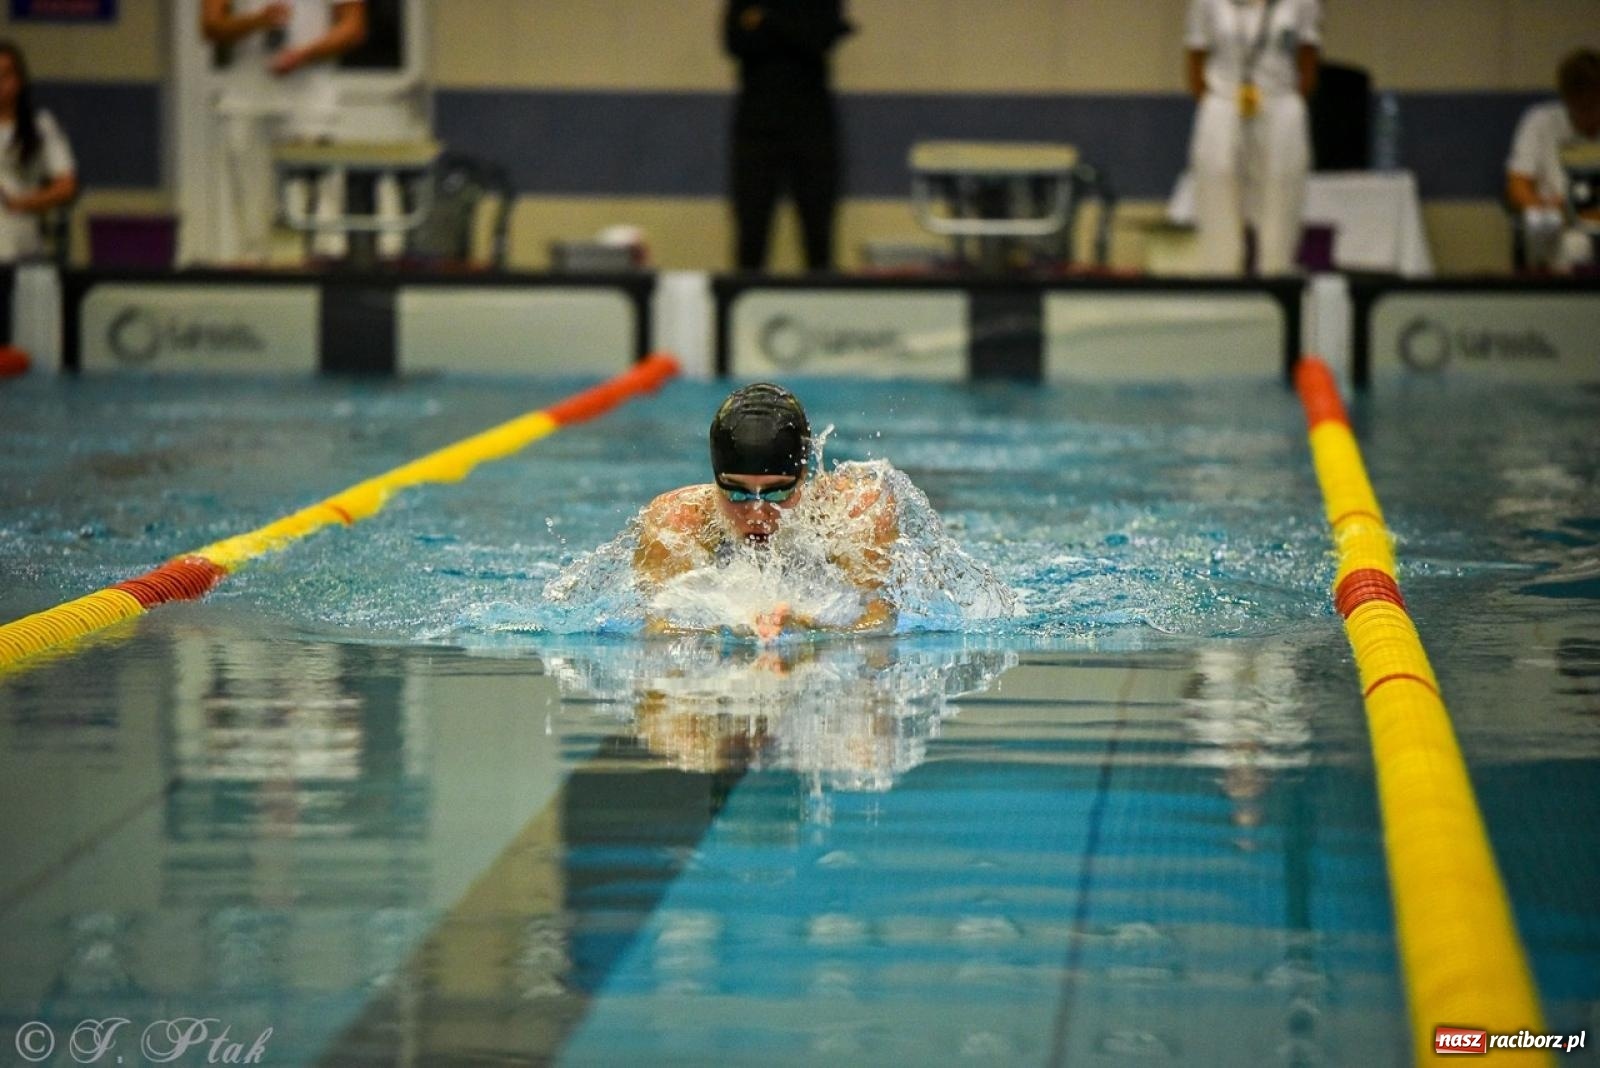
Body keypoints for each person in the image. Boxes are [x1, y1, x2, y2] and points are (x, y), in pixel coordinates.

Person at [633, 382, 896, 638]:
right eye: (736, 492)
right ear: (715, 479)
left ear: (803, 475)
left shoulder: (851, 514)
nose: (757, 512)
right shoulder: (678, 522)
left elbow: (878, 624)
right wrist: (726, 631)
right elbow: (657, 633)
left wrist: (808, 628)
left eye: (777, 492)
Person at [200, 0, 367, 264]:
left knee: (317, 209)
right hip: (249, 100)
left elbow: (353, 27)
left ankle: (318, 269)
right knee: (254, 216)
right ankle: (257, 267)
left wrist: (305, 54)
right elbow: (210, 26)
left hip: (310, 103)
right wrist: (256, 22)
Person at [1184, 0, 1321, 276]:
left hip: (1279, 99)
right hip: (1224, 99)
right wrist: (1218, 100)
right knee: (1217, 179)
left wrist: (1286, 99)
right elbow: (1195, 57)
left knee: (1282, 183)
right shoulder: (1207, 3)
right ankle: (1219, 274)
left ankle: (1277, 273)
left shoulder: (1301, 3)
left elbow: (1308, 57)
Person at [723, 0, 853, 272]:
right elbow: (734, 43)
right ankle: (744, 306)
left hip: (812, 125)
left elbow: (818, 40)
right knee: (751, 235)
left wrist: (767, 21)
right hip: (757, 125)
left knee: (818, 237)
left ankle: (821, 308)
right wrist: (794, 28)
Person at [1506, 48, 1600, 274]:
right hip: (1559, 225)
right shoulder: (1541, 122)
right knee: (1573, 246)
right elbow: (1517, 186)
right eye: (1581, 107)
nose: (1587, 114)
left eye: (1594, 105)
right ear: (1567, 99)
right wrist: (1548, 207)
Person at [0, 41, 77, 262]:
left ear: (19, 81)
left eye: (6, 75)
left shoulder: (40, 125)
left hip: (19, 244)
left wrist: (21, 202)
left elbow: (66, 186)